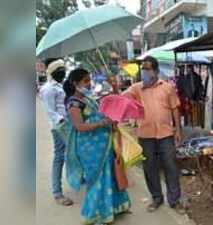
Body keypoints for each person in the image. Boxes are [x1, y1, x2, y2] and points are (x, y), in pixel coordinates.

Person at [63, 68, 131, 225]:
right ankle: (96, 214)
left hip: (104, 144)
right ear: (75, 83)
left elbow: (111, 102)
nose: (89, 83)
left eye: (89, 80)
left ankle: (114, 208)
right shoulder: (73, 103)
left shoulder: (89, 98)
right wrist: (101, 123)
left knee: (111, 175)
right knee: (97, 179)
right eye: (85, 81)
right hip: (90, 148)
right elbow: (79, 127)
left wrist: (114, 86)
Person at [123, 56, 185, 214]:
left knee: (171, 166)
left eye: (148, 68)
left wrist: (178, 130)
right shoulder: (136, 88)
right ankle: (156, 198)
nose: (144, 72)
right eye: (143, 69)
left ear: (156, 71)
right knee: (150, 168)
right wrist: (115, 86)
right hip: (146, 134)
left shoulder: (167, 87)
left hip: (166, 134)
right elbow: (122, 99)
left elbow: (175, 109)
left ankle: (174, 200)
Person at [39, 58, 73, 206]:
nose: (63, 73)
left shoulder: (60, 86)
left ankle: (79, 178)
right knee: (59, 157)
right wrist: (62, 122)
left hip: (68, 124)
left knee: (73, 152)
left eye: (63, 70)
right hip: (59, 127)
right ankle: (57, 193)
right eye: (60, 71)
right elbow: (50, 110)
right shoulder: (48, 89)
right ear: (52, 72)